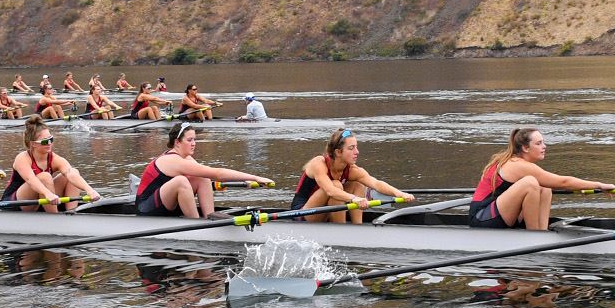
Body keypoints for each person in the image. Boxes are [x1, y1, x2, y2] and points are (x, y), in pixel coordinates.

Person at [469, 128, 615, 230]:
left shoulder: (519, 162)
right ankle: (535, 236)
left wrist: (582, 187)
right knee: (530, 183)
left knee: (544, 186)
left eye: (543, 142)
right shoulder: (517, 164)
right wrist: (599, 185)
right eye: (538, 143)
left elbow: (556, 182)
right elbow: (563, 182)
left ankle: (541, 231)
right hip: (482, 218)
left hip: (499, 213)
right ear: (525, 148)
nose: (544, 146)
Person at [134, 122, 273, 218]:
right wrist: (254, 177)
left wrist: (244, 180)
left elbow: (209, 173)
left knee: (202, 177)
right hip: (146, 209)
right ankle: (196, 225)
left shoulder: (186, 158)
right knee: (181, 181)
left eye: (194, 139)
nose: (194, 144)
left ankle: (209, 217)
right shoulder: (172, 160)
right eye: (189, 140)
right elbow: (218, 174)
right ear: (177, 142)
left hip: (166, 205)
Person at [293, 128, 413, 223]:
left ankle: (357, 227)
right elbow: (330, 191)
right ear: (338, 152)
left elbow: (376, 184)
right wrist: (354, 199)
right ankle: (341, 230)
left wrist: (399, 193)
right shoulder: (319, 163)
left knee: (357, 185)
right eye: (351, 148)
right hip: (303, 213)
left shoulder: (352, 170)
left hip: (327, 211)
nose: (357, 152)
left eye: (356, 147)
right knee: (336, 185)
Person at [4, 116, 98, 213]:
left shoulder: (55, 159)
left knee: (73, 172)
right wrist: (47, 194)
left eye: (51, 139)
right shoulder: (22, 158)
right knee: (45, 177)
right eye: (45, 141)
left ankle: (72, 211)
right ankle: (54, 216)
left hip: (43, 198)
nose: (49, 143)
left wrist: (89, 190)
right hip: (15, 202)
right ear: (33, 144)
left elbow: (71, 174)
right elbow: (31, 180)